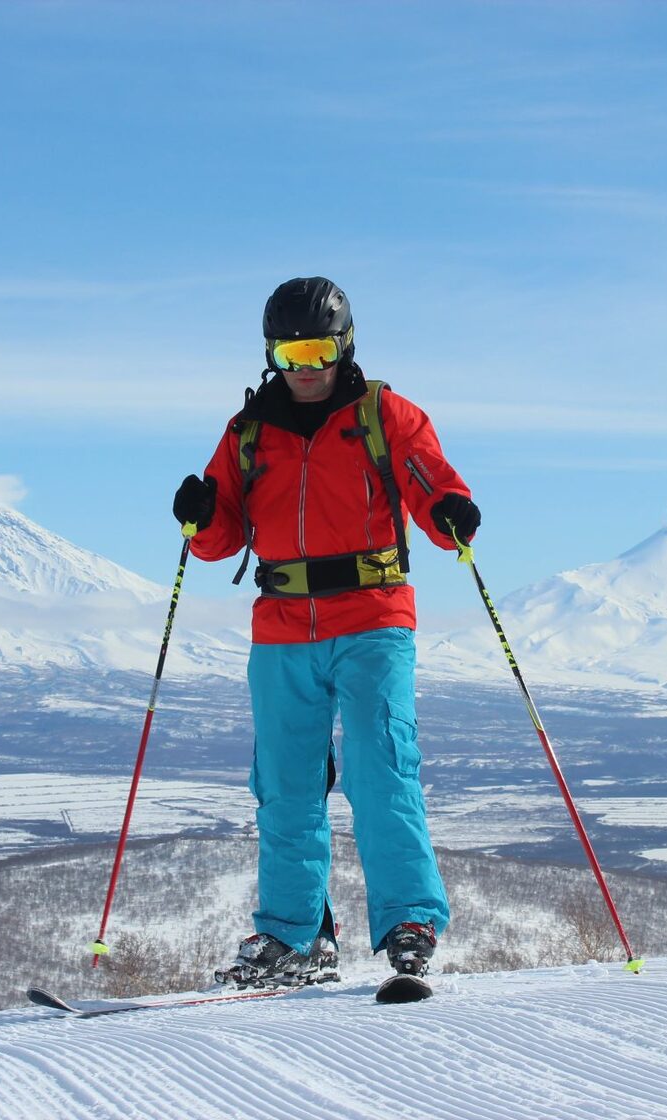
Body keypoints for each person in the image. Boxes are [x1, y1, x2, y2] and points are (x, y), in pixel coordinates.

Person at [172, 276, 481, 987]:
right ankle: (295, 938)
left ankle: (410, 920)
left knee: (380, 768)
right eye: (289, 352)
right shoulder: (247, 433)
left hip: (373, 617)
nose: (304, 368)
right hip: (282, 626)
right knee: (285, 784)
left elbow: (431, 484)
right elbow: (219, 540)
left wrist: (452, 512)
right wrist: (197, 514)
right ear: (270, 353)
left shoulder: (383, 414)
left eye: (317, 350)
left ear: (344, 347)